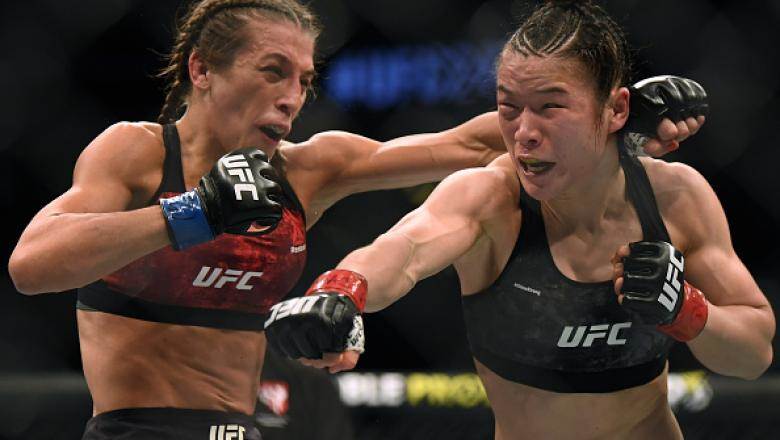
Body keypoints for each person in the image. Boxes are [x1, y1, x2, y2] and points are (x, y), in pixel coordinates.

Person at [7, 0, 703, 438]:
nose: (292, 97)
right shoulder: (136, 153)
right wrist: (195, 213)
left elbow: (469, 145)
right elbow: (32, 265)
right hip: (135, 430)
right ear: (202, 70)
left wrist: (611, 113)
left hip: (245, 429)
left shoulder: (309, 170)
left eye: (304, 80)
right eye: (273, 71)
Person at [264, 1, 775, 439]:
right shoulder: (490, 198)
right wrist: (342, 290)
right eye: (508, 108)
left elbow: (753, 355)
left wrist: (685, 309)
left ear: (617, 110)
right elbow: (406, 248)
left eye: (551, 107)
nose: (524, 133)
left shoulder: (674, 197)